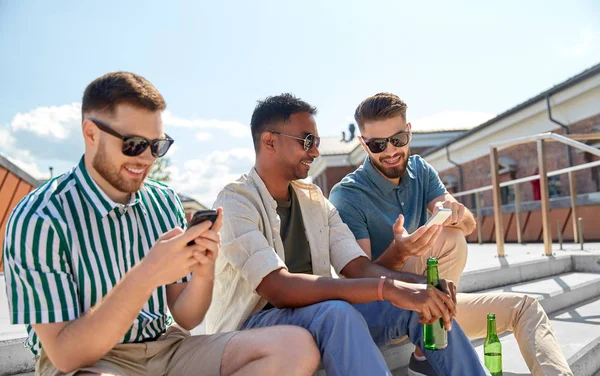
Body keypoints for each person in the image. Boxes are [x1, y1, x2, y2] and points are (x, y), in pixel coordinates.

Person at [2, 72, 320, 376]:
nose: (147, 159)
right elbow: (67, 354)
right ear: (90, 134)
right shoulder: (40, 218)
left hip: (165, 350)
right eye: (134, 144)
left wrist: (204, 271)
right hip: (89, 363)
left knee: (296, 348)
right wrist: (147, 274)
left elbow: (185, 316)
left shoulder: (162, 200)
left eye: (157, 146)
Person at [206, 93, 491, 376]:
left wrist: (421, 283)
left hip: (322, 317)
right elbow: (278, 289)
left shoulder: (315, 201)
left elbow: (359, 267)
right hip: (252, 331)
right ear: (269, 141)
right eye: (307, 141)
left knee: (421, 302)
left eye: (316, 142)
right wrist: (388, 288)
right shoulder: (235, 201)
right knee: (337, 312)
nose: (315, 152)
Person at [329, 92, 573, 376]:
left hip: (435, 309)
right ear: (362, 143)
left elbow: (468, 226)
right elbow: (357, 278)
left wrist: (456, 212)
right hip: (390, 310)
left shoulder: (420, 170)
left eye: (397, 139)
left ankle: (424, 351)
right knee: (445, 238)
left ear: (409, 131)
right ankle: (426, 345)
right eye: (377, 144)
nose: (390, 151)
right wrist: (401, 251)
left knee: (524, 307)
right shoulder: (348, 194)